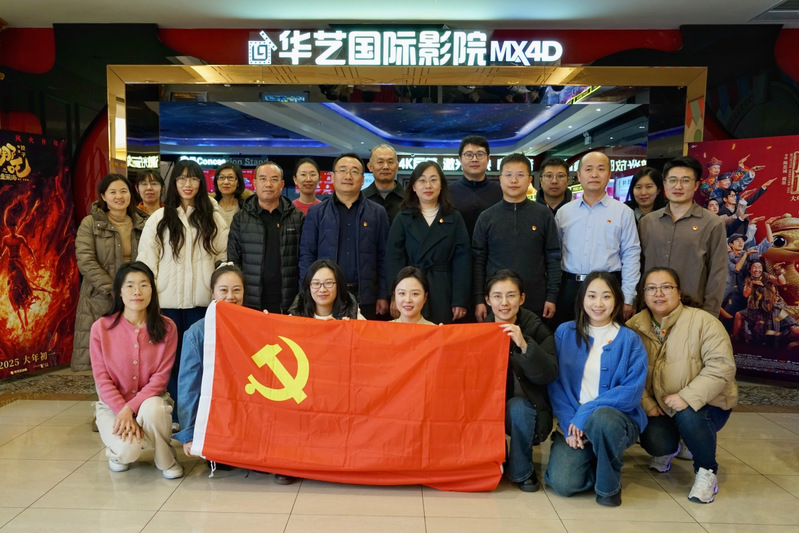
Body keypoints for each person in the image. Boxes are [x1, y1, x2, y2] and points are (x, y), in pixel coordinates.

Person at [627, 267, 737, 504]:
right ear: (643, 294)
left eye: (666, 287)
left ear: (679, 292)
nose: (659, 293)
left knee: (689, 414)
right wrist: (646, 403)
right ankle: (672, 447)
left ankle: (706, 472)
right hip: (661, 406)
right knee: (656, 441)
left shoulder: (703, 322)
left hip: (708, 405)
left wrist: (686, 396)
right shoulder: (633, 327)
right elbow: (627, 373)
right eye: (651, 288)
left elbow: (722, 366)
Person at [545, 271, 648, 507]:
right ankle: (596, 457)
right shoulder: (565, 332)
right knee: (563, 483)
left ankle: (608, 489)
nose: (598, 304)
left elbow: (632, 391)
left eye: (606, 296)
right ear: (582, 299)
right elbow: (555, 384)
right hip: (574, 421)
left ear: (617, 300)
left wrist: (586, 412)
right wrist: (570, 424)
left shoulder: (629, 339)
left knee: (602, 419)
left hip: (615, 420)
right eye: (592, 296)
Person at [138, 159, 229, 422]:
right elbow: (147, 263)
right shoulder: (159, 218)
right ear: (174, 183)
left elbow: (223, 259)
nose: (187, 184)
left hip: (202, 304)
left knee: (200, 358)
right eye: (181, 178)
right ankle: (179, 415)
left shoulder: (213, 218)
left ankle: (199, 414)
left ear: (201, 183)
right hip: (166, 303)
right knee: (170, 360)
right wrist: (149, 301)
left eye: (193, 178)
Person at [173, 264, 276, 477]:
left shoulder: (258, 324)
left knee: (261, 464)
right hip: (217, 413)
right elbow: (188, 387)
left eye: (237, 290)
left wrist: (270, 327)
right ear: (212, 292)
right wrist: (190, 435)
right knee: (223, 463)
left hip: (253, 410)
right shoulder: (197, 333)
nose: (231, 296)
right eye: (223, 290)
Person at [89, 261, 182, 479]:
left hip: (151, 401)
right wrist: (123, 410)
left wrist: (130, 408)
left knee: (153, 409)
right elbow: (102, 380)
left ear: (152, 290)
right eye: (130, 285)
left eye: (144, 285)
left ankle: (166, 459)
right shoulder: (100, 328)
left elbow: (160, 380)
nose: (137, 291)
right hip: (112, 407)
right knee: (128, 451)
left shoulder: (167, 327)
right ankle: (117, 453)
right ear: (119, 292)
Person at [484, 269, 557, 492]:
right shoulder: (480, 330)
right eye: (497, 296)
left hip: (529, 411)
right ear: (487, 300)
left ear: (522, 298)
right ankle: (491, 459)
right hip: (490, 410)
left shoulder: (537, 329)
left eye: (511, 295)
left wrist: (525, 345)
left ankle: (522, 471)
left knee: (518, 408)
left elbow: (549, 374)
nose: (504, 303)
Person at [299, 153, 389, 320]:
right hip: (326, 297)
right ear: (333, 177)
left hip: (366, 297)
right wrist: (306, 293)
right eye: (342, 170)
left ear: (362, 180)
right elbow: (307, 255)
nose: (348, 176)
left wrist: (383, 294)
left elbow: (384, 257)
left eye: (354, 171)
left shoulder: (377, 213)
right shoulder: (317, 212)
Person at [554, 151, 640, 326]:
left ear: (609, 175)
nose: (594, 174)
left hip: (609, 288)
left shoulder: (623, 212)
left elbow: (631, 254)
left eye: (601, 169)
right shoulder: (564, 213)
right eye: (588, 169)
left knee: (606, 337)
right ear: (579, 176)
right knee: (568, 336)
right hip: (570, 287)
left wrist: (628, 296)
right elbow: (555, 254)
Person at [473, 153, 561, 322]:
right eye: (508, 175)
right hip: (497, 303)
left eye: (520, 175)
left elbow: (553, 257)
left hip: (536, 299)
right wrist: (479, 299)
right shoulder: (486, 217)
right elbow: (478, 262)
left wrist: (552, 296)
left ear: (529, 180)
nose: (514, 180)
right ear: (500, 179)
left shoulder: (543, 214)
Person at [73, 174, 148, 371]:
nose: (119, 196)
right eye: (112, 192)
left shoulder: (143, 223)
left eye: (123, 191)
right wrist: (113, 288)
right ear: (103, 197)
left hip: (136, 296)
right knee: (101, 360)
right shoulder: (90, 223)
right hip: (100, 298)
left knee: (134, 358)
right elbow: (86, 260)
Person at [639, 156, 727, 315]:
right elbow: (637, 267)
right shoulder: (647, 222)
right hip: (650, 311)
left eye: (685, 180)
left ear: (696, 185)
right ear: (664, 184)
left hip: (692, 312)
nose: (678, 186)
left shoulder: (712, 223)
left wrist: (709, 316)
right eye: (672, 180)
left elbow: (717, 273)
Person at [385, 161, 471, 324]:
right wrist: (394, 296)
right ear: (413, 186)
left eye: (433, 180)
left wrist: (460, 299)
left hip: (443, 289)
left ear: (441, 185)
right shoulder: (403, 217)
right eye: (422, 180)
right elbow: (393, 259)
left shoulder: (454, 217)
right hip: (410, 290)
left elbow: (463, 261)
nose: (428, 186)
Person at [228, 161, 304, 313]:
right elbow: (234, 259)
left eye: (274, 179)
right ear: (254, 183)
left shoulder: (297, 218)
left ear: (282, 184)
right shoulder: (241, 218)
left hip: (288, 299)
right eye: (263, 179)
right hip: (251, 299)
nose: (268, 184)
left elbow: (303, 259)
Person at [448, 135, 502, 238]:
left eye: (480, 154)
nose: (474, 159)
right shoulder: (447, 192)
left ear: (488, 159)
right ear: (460, 159)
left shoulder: (501, 191)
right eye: (469, 155)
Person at [289, 259, 363, 320]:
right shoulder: (295, 317)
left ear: (339, 285)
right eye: (316, 283)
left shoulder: (353, 315)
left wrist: (349, 329)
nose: (322, 289)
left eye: (328, 283)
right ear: (308, 287)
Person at [363, 144, 405, 224]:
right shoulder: (360, 199)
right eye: (380, 162)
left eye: (390, 162)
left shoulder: (410, 200)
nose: (385, 167)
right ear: (370, 167)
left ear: (397, 166)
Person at [213, 162, 252, 228]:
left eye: (230, 177)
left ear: (238, 182)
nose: (226, 182)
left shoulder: (247, 207)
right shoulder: (210, 206)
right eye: (221, 177)